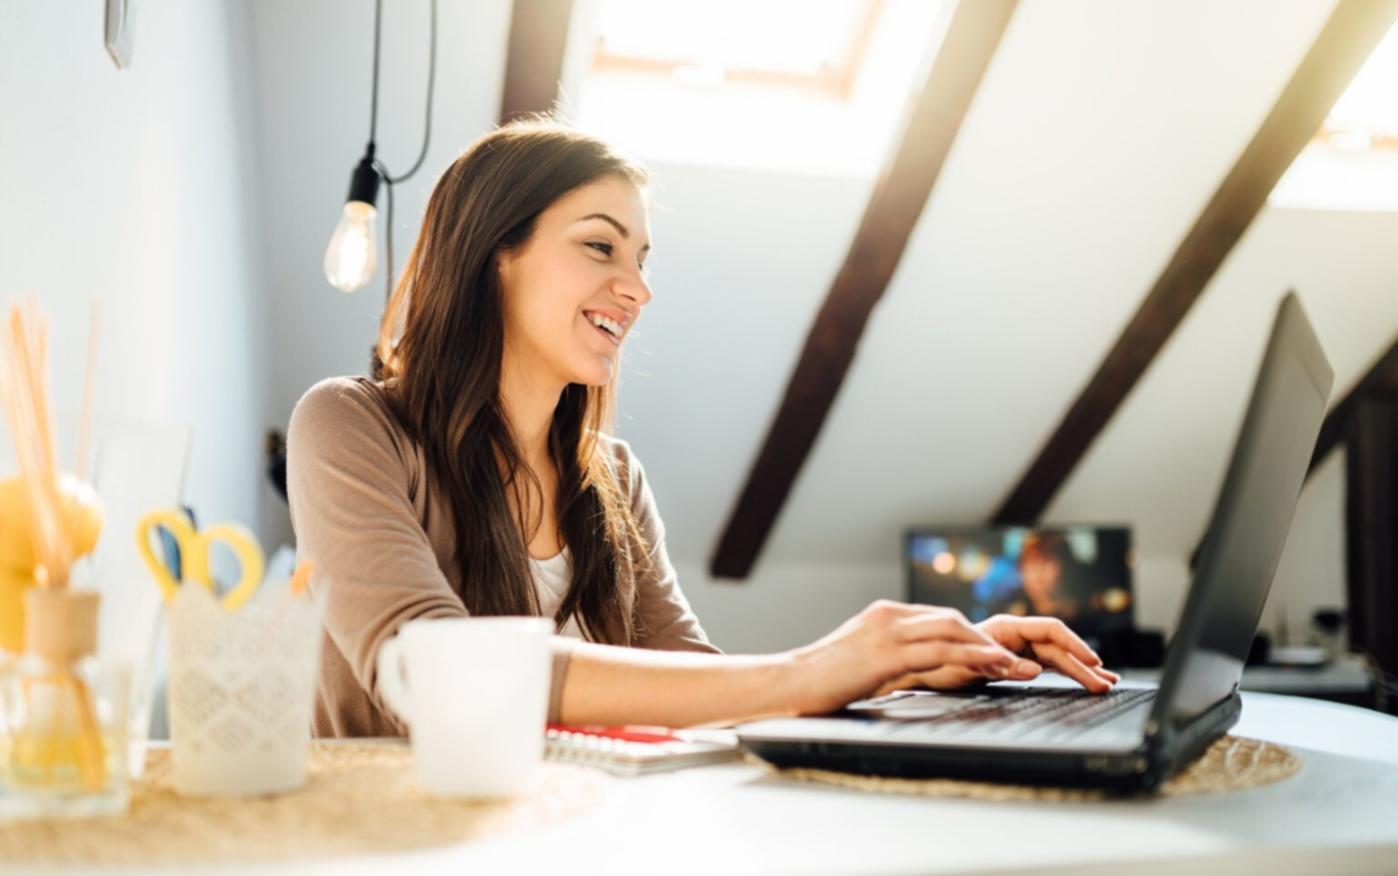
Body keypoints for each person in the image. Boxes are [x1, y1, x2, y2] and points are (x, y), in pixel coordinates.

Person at [287, 117, 1119, 738]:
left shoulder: (611, 478)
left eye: (641, 260)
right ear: (493, 252)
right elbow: (431, 671)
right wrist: (819, 665)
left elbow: (700, 692)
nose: (636, 290)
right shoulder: (349, 427)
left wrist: (906, 673)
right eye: (600, 247)